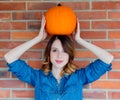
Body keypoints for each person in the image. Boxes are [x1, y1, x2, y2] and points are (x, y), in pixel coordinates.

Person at [4, 15, 114, 100]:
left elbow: (107, 59)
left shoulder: (79, 77)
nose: (59, 55)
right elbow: (10, 57)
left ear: (69, 55)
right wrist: (38, 38)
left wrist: (80, 40)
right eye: (55, 50)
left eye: (65, 51)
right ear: (49, 53)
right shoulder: (37, 77)